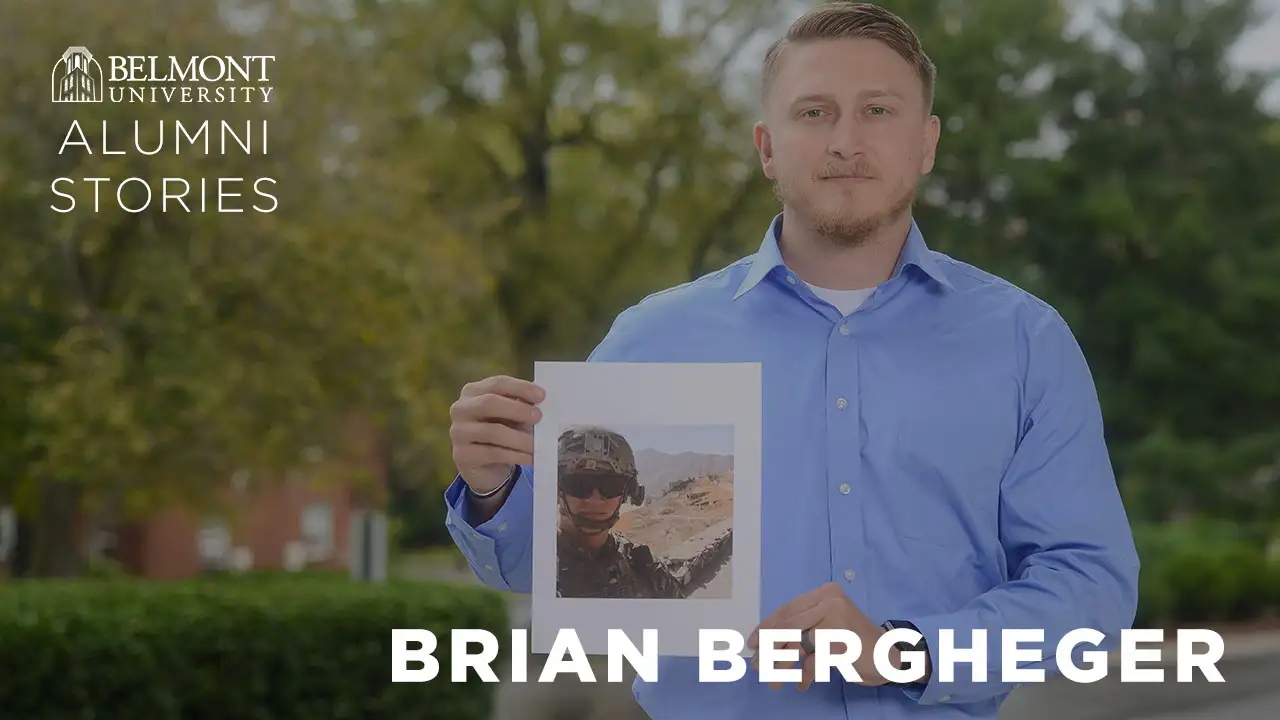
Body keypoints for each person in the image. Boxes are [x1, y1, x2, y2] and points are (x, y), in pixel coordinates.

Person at [443, 2, 1139, 718]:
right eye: (813, 113)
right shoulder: (654, 339)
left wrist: (908, 651)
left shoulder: (1024, 342)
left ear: (926, 142)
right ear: (767, 146)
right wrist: (493, 488)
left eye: (877, 110)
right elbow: (558, 573)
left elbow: (1091, 586)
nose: (846, 141)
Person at [553, 424, 686, 599]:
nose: (595, 500)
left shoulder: (641, 565)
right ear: (557, 490)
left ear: (626, 493)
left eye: (610, 486)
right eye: (579, 484)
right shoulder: (531, 568)